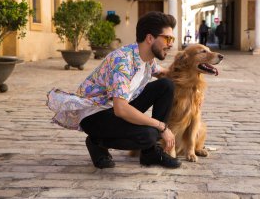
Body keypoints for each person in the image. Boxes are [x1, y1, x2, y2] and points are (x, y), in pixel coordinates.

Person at [47, 11, 181, 169]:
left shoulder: (146, 58)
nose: (171, 44)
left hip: (115, 108)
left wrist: (193, 75)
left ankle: (150, 154)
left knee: (166, 86)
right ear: (150, 38)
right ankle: (96, 141)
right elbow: (121, 110)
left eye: (172, 39)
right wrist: (161, 126)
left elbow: (164, 73)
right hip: (95, 114)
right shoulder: (122, 61)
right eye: (168, 38)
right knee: (149, 134)